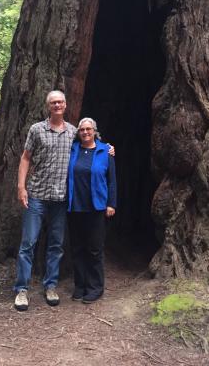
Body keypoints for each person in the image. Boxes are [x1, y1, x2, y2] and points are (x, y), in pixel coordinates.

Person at [14, 92, 114, 312]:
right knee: (28, 243)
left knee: (56, 245)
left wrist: (108, 148)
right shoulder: (36, 129)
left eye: (60, 102)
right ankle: (22, 289)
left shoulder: (72, 133)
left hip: (61, 200)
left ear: (66, 105)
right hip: (37, 196)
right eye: (53, 102)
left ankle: (50, 285)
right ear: (48, 106)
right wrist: (21, 187)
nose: (57, 105)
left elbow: (92, 143)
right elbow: (25, 158)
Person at [67, 117, 116, 303]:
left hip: (96, 207)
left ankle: (95, 287)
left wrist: (111, 203)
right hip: (75, 207)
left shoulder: (105, 151)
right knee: (77, 248)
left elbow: (112, 180)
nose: (85, 132)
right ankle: (80, 285)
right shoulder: (73, 150)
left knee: (94, 249)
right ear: (78, 133)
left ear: (94, 131)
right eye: (82, 130)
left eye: (88, 129)